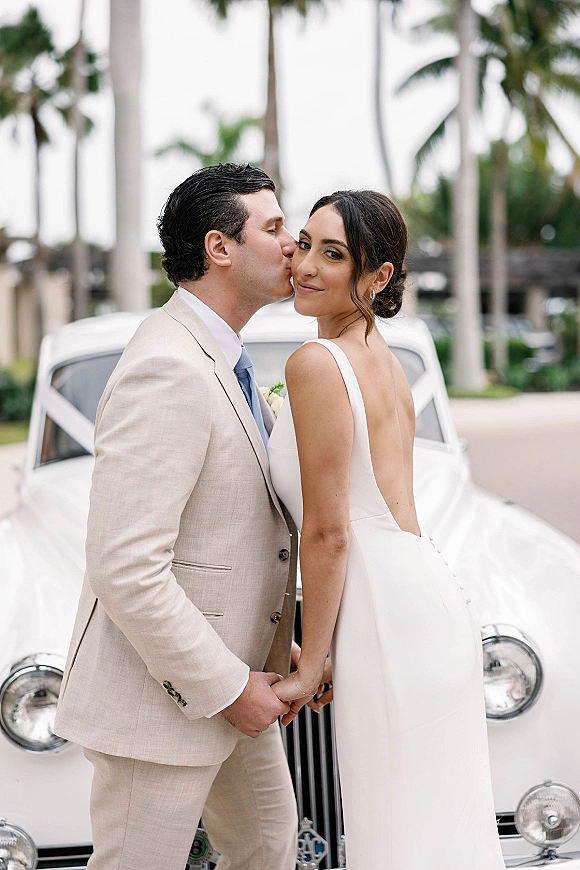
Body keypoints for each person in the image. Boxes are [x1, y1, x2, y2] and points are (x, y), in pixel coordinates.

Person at [55, 163, 301, 870]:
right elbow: (126, 567)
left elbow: (229, 531)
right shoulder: (168, 368)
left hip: (235, 686)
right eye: (274, 227)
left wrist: (279, 645)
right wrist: (227, 688)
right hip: (160, 706)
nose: (294, 244)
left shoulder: (225, 357)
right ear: (221, 248)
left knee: (266, 846)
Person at [269, 190, 505, 869]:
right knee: (432, 822)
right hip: (423, 598)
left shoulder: (316, 365)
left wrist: (311, 664)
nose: (306, 264)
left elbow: (331, 532)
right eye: (306, 242)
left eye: (334, 254)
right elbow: (398, 514)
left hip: (385, 611)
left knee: (396, 826)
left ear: (378, 278)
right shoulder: (388, 363)